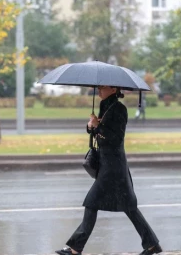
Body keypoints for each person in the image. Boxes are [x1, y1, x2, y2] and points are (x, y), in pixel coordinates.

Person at [56, 85, 162, 255]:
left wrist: (98, 126)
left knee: (91, 202)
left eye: (102, 88)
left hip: (114, 166)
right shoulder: (106, 106)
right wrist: (91, 126)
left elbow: (116, 138)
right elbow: (99, 132)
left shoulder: (119, 109)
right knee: (130, 207)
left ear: (113, 89)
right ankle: (152, 244)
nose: (99, 90)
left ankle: (76, 248)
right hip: (108, 164)